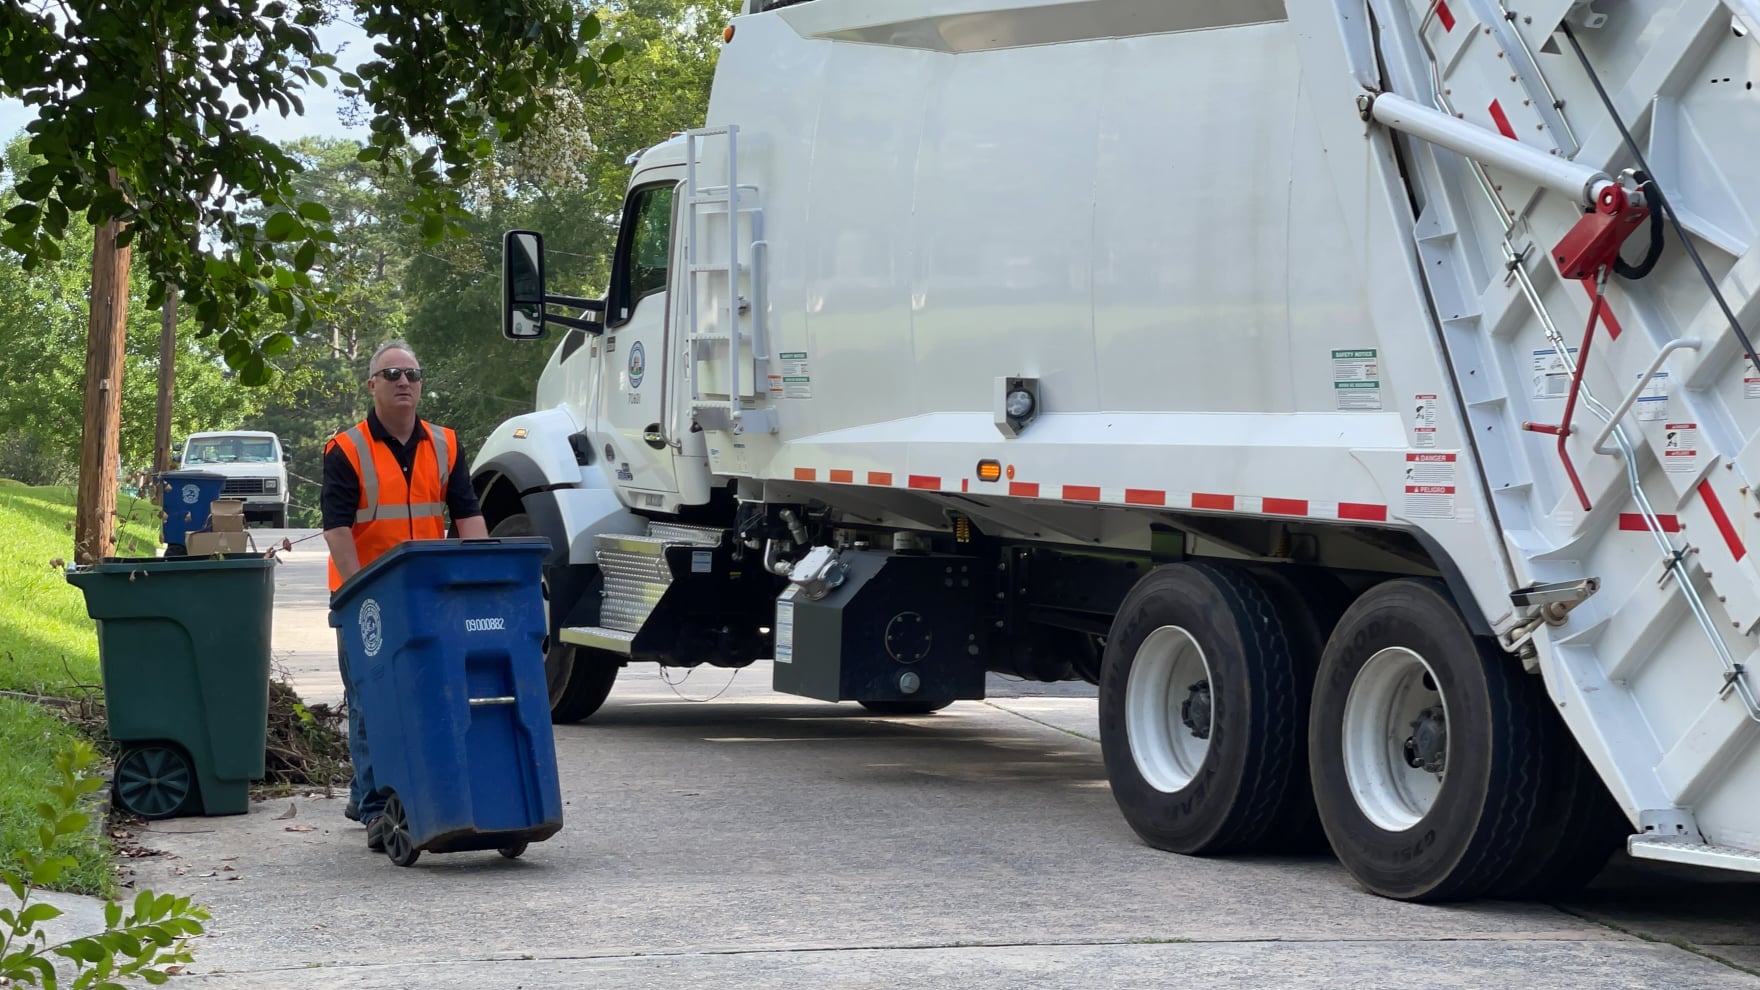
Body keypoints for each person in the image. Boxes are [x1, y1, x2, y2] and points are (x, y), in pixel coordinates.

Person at [322, 339, 488, 850]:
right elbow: (337, 530)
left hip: (427, 595)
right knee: (372, 702)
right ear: (372, 385)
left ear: (420, 386)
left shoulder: (446, 444)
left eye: (411, 375)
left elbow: (468, 516)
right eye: (391, 374)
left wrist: (479, 580)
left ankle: (367, 792)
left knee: (421, 696)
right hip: (367, 598)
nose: (403, 383)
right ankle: (376, 809)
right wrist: (356, 595)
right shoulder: (346, 448)